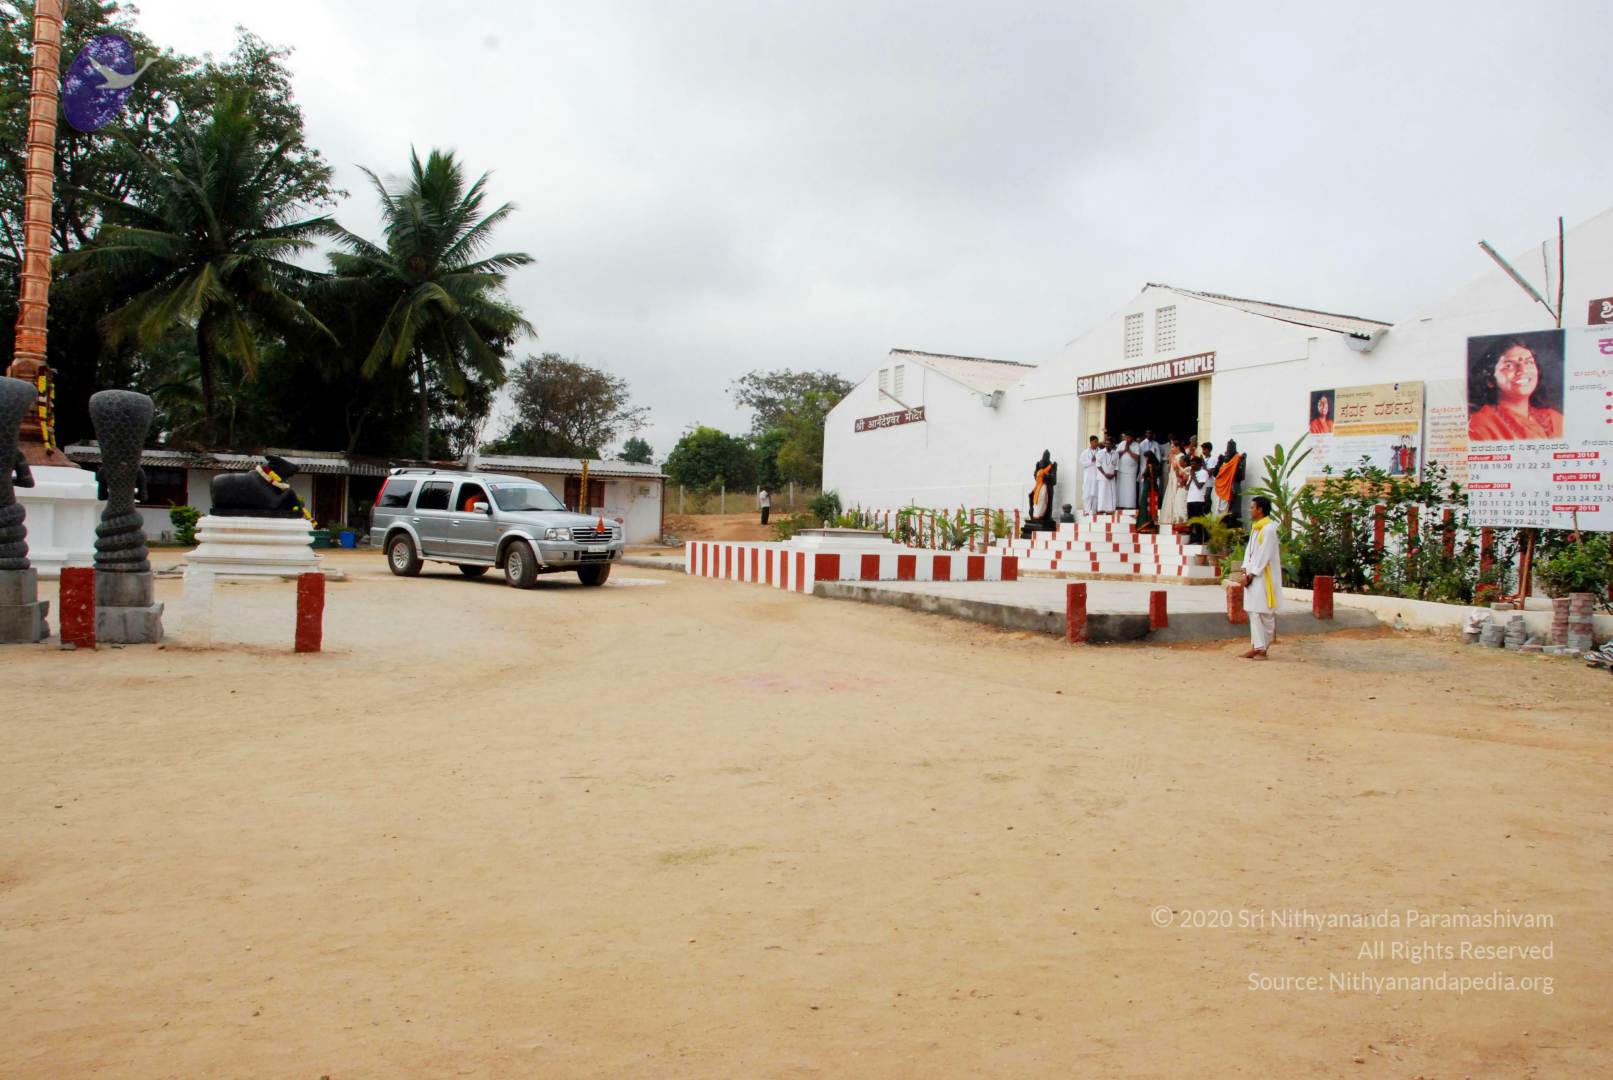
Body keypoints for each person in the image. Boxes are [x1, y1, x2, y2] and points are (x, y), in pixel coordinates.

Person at [1467, 338, 1564, 441]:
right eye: (1509, 365)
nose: (1522, 370)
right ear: (1489, 380)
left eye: (1528, 362)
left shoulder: (1554, 419)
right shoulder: (1480, 426)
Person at [1238, 495, 1283, 660]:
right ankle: (1258, 647)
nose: (1250, 510)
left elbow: (1264, 555)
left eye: (1252, 507)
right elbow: (1249, 552)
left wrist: (1252, 574)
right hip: (1253, 574)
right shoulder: (1256, 528)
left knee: (1264, 613)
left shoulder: (1269, 529)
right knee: (1254, 610)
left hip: (1264, 576)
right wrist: (1245, 570)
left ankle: (1261, 648)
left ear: (1260, 510)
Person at [1213, 439, 1245, 520]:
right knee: (1219, 513)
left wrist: (1240, 463)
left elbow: (1240, 477)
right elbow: (1215, 474)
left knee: (1231, 513)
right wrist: (1219, 463)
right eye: (1228, 449)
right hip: (1221, 489)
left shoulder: (1238, 460)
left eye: (1230, 449)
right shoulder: (1223, 462)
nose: (1228, 452)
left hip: (1232, 489)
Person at [1184, 455, 1211, 543]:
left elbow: (1200, 486)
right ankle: (1192, 538)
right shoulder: (1192, 473)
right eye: (1191, 464)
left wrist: (1194, 477)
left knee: (1198, 520)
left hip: (1198, 499)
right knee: (1191, 520)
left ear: (1199, 464)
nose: (1192, 465)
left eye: (1194, 464)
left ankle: (1201, 538)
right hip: (1190, 499)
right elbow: (1187, 487)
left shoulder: (1203, 472)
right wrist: (1191, 477)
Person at [1115, 432, 1139, 510]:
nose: (1127, 439)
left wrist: (1129, 451)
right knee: (1121, 489)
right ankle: (1120, 505)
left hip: (1131, 471)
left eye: (1128, 437)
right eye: (1126, 437)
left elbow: (1137, 457)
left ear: (1132, 438)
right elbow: (1116, 455)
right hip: (1121, 469)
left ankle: (1130, 505)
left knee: (1130, 488)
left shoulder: (1136, 445)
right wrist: (1124, 450)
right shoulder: (1122, 443)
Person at [1095, 437, 1118, 515]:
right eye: (1106, 444)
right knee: (1102, 492)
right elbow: (1098, 465)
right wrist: (1105, 474)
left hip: (1111, 476)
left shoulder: (1116, 453)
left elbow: (1117, 466)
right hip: (1102, 476)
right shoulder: (1100, 453)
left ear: (1112, 445)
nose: (1107, 445)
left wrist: (1114, 474)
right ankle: (1101, 509)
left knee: (1111, 493)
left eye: (1109, 444)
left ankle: (1110, 509)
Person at [1080, 435, 1102, 514]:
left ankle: (1094, 510)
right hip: (1088, 476)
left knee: (1096, 493)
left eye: (1097, 441)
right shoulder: (1085, 452)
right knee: (1088, 493)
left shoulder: (1101, 451)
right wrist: (1091, 461)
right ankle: (1087, 510)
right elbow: (1082, 463)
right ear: (1091, 442)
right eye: (1095, 442)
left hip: (1097, 475)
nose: (1097, 443)